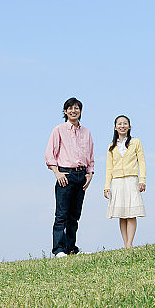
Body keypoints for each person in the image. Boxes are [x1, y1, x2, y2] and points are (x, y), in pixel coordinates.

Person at [44, 97, 94, 258]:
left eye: (77, 108)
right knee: (61, 215)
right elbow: (49, 154)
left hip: (82, 175)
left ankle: (71, 248)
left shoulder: (86, 132)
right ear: (65, 111)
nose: (74, 111)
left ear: (80, 111)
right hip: (65, 174)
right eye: (70, 108)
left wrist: (90, 173)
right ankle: (59, 249)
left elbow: (90, 155)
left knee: (75, 215)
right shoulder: (58, 130)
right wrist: (57, 172)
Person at [103, 115, 146, 248]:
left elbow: (142, 162)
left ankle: (129, 244)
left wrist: (142, 180)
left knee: (131, 213)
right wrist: (106, 186)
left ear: (129, 127)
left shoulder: (136, 142)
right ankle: (125, 243)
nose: (122, 126)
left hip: (132, 180)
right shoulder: (111, 146)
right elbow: (109, 168)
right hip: (117, 182)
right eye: (119, 124)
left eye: (125, 123)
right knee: (121, 214)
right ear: (115, 127)